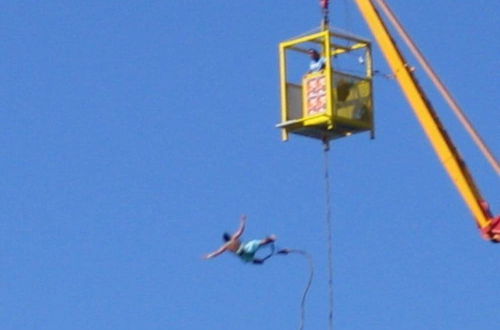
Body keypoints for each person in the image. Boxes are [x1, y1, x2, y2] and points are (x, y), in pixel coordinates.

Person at [203, 215, 277, 264]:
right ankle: (269, 240)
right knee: (254, 242)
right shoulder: (233, 239)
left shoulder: (225, 247)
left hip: (245, 257)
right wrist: (243, 221)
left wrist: (208, 256)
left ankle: (258, 260)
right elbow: (241, 230)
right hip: (247, 250)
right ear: (230, 237)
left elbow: (217, 253)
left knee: (251, 257)